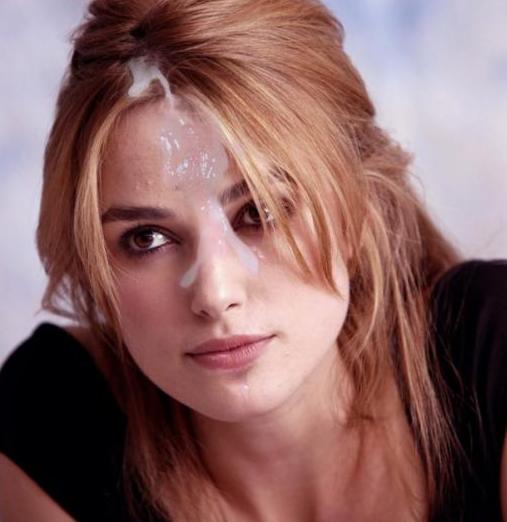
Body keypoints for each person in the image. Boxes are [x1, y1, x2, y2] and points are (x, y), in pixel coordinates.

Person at [0, 0, 506, 521]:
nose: (216, 294)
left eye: (260, 211)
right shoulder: (55, 418)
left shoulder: (490, 346)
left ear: (356, 207)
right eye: (146, 238)